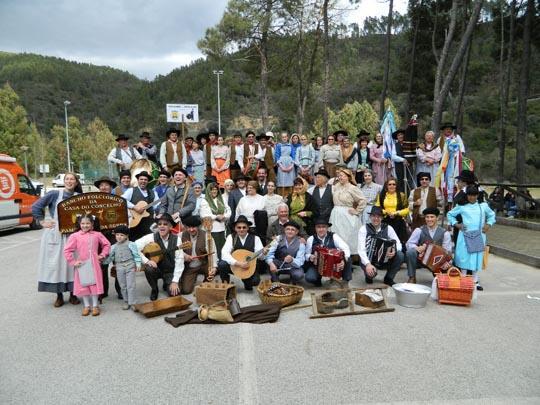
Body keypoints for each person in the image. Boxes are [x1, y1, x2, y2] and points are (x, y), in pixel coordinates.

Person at [32, 172, 82, 307]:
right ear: (64, 181)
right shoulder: (54, 194)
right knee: (57, 265)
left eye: (72, 179)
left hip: (73, 234)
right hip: (56, 234)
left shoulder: (79, 197)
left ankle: (73, 294)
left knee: (73, 265)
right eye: (67, 179)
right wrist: (42, 222)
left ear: (76, 182)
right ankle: (59, 295)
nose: (69, 181)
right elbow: (36, 206)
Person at [447, 186, 496, 291]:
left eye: (474, 195)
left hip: (479, 235)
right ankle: (463, 278)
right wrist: (457, 224)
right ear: (467, 195)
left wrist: (488, 224)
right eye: (470, 195)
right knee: (464, 257)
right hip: (465, 235)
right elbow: (450, 214)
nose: (472, 197)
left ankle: (475, 281)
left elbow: (492, 215)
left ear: (477, 195)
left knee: (476, 257)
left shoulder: (483, 206)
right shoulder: (462, 206)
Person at [64, 215, 111, 316]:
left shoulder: (97, 234)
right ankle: (86, 306)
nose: (85, 225)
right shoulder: (75, 236)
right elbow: (67, 250)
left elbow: (107, 244)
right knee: (83, 285)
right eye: (83, 223)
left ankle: (95, 306)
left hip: (94, 264)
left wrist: (102, 255)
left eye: (87, 223)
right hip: (82, 264)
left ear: (92, 224)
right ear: (79, 224)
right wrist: (73, 262)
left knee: (94, 284)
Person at [136, 213, 186, 300]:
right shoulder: (151, 237)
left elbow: (179, 261)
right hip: (157, 269)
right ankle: (154, 289)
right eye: (159, 224)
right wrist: (147, 261)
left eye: (165, 224)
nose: (162, 226)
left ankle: (167, 283)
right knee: (149, 269)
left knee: (175, 294)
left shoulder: (177, 239)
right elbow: (134, 247)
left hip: (170, 271)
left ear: (170, 227)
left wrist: (175, 281)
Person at [219, 215, 268, 291]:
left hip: (248, 267)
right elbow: (224, 253)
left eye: (244, 227)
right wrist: (237, 263)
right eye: (239, 227)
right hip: (235, 265)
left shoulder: (256, 238)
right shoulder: (231, 237)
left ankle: (246, 281)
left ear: (248, 228)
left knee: (255, 281)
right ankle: (225, 285)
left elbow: (261, 258)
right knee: (222, 264)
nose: (241, 229)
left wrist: (264, 253)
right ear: (235, 228)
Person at [358, 206, 404, 286]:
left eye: (378, 216)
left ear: (382, 218)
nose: (376, 218)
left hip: (385, 259)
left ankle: (389, 278)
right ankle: (369, 275)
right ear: (370, 217)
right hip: (369, 259)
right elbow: (361, 249)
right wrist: (368, 264)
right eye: (373, 216)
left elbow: (398, 243)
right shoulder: (363, 229)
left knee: (400, 255)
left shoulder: (388, 228)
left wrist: (394, 250)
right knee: (370, 275)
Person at [93, 176, 122, 301]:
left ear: (111, 187)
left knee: (118, 263)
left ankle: (120, 290)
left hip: (115, 236)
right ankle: (103, 291)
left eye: (106, 185)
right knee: (102, 264)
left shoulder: (118, 201)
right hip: (100, 236)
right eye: (101, 185)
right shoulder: (93, 201)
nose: (104, 187)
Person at [405, 208, 452, 283]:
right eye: (427, 217)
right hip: (421, 260)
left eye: (432, 217)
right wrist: (417, 248)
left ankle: (439, 276)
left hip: (437, 262)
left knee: (448, 275)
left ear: (437, 218)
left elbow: (448, 251)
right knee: (410, 252)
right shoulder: (419, 230)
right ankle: (412, 277)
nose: (429, 219)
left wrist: (448, 263)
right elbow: (408, 244)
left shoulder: (445, 233)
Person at [102, 225, 141, 309]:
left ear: (126, 236)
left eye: (122, 235)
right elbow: (111, 257)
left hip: (130, 265)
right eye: (117, 235)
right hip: (119, 267)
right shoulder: (113, 247)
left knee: (131, 285)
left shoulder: (131, 244)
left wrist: (138, 263)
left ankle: (133, 302)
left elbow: (136, 255)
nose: (119, 237)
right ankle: (126, 301)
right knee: (122, 285)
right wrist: (103, 262)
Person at [329, 168, 367, 256]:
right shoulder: (336, 186)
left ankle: (348, 257)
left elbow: (363, 200)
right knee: (336, 235)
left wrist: (357, 211)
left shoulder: (352, 188)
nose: (340, 177)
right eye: (339, 176)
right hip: (336, 213)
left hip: (347, 214)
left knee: (347, 236)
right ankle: (337, 256)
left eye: (342, 176)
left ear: (348, 177)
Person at [304, 218, 351, 286]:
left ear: (327, 228)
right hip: (317, 266)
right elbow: (306, 254)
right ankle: (317, 280)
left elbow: (346, 248)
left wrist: (343, 260)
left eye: (323, 227)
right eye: (318, 227)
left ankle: (345, 282)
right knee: (310, 277)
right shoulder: (311, 239)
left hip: (333, 265)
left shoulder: (334, 236)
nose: (321, 229)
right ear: (315, 228)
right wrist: (310, 257)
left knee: (348, 259)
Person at [178, 216, 218, 294]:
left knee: (211, 270)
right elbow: (176, 251)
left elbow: (213, 252)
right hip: (190, 267)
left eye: (193, 227)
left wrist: (214, 267)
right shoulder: (180, 235)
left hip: (203, 264)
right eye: (188, 227)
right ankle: (192, 278)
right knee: (186, 290)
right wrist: (184, 255)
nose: (191, 229)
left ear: (198, 226)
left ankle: (206, 282)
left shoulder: (206, 236)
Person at [122, 171, 160, 241]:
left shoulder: (153, 193)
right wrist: (134, 207)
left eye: (145, 180)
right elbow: (122, 200)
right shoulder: (131, 190)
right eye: (141, 179)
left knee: (149, 242)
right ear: (138, 180)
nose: (143, 181)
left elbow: (157, 205)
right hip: (135, 223)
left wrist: (159, 211)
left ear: (148, 181)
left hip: (149, 223)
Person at [199, 182, 231, 260]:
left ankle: (222, 263)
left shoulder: (222, 199)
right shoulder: (204, 201)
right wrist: (216, 216)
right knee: (213, 248)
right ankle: (214, 264)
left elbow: (229, 210)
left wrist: (224, 216)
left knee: (222, 247)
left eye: (215, 189)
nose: (214, 191)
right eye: (212, 190)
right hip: (211, 229)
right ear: (208, 191)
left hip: (222, 228)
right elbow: (204, 214)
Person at [375, 177, 409, 247]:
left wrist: (396, 213)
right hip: (385, 221)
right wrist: (386, 212)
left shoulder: (402, 195)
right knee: (386, 243)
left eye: (394, 184)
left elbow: (407, 209)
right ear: (386, 186)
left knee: (400, 243)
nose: (392, 186)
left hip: (399, 221)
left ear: (396, 186)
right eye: (389, 184)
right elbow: (377, 208)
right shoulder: (381, 195)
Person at [437, 123, 466, 204]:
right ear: (443, 130)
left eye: (450, 129)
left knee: (454, 177)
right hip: (444, 162)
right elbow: (438, 151)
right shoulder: (440, 139)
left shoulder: (457, 138)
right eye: (447, 129)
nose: (448, 130)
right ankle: (444, 198)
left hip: (455, 162)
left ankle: (455, 196)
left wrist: (457, 156)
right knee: (444, 179)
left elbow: (462, 149)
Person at [275, 132, 296, 197]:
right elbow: (277, 156)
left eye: (285, 137)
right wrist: (281, 167)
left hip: (289, 163)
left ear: (287, 137)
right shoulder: (279, 145)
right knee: (282, 180)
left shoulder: (291, 145)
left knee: (290, 180)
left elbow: (293, 155)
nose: (284, 138)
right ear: (281, 138)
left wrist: (291, 166)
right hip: (282, 164)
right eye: (283, 137)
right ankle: (281, 195)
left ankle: (290, 195)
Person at [391, 129, 410, 193]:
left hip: (409, 165)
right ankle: (401, 196)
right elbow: (393, 156)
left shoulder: (408, 144)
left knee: (408, 181)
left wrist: (409, 160)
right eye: (399, 135)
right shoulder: (394, 145)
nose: (400, 136)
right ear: (397, 137)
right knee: (400, 181)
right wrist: (403, 160)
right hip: (399, 166)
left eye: (401, 134)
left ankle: (408, 196)